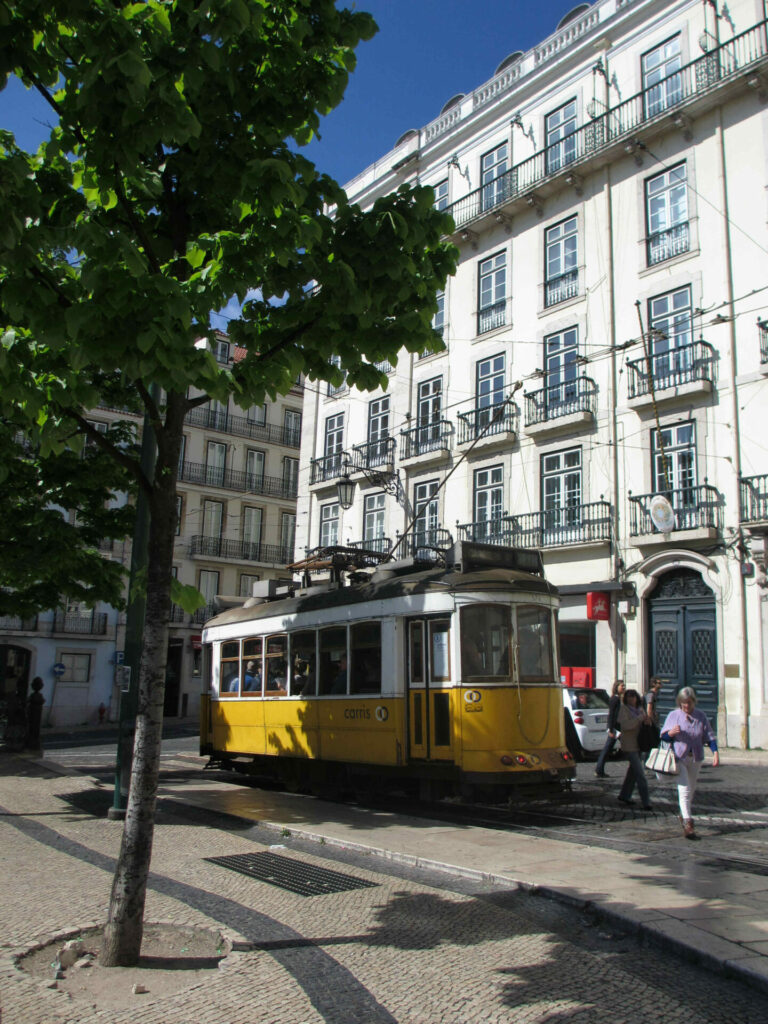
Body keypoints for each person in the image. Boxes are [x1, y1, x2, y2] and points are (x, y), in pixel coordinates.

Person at [661, 686, 719, 839]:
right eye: (683, 703)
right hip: (679, 757)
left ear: (694, 702)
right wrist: (670, 733)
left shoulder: (701, 716)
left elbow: (709, 736)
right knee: (684, 788)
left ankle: (683, 814)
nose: (686, 706)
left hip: (695, 758)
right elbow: (664, 736)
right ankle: (688, 823)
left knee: (691, 789)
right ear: (679, 702)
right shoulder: (674, 715)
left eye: (689, 703)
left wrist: (715, 753)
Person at [616, 688, 653, 810]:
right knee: (640, 774)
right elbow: (625, 726)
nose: (631, 699)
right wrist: (638, 719)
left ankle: (624, 795)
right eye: (629, 696)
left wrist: (647, 721)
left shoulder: (640, 709)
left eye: (633, 696)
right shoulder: (624, 709)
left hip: (640, 744)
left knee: (632, 772)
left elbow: (645, 723)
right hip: (629, 745)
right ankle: (646, 801)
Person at [594, 679, 625, 777]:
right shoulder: (615, 699)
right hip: (615, 729)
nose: (623, 688)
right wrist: (611, 729)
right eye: (621, 686)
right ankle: (599, 769)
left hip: (617, 728)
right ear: (617, 687)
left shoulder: (618, 699)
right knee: (608, 749)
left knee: (608, 749)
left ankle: (599, 769)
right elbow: (611, 715)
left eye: (624, 686)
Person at [643, 676, 662, 748]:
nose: (661, 685)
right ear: (654, 684)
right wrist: (651, 721)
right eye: (659, 683)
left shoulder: (655, 694)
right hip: (651, 722)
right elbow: (649, 709)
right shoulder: (650, 694)